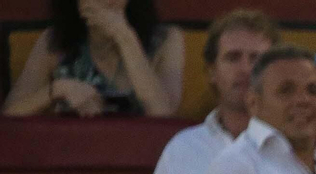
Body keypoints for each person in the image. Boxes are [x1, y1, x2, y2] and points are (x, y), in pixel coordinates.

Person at [202, 46, 316, 174]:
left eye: (312, 91)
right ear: (254, 103)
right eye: (286, 90)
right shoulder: (235, 167)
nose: (303, 100)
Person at [150, 9, 279, 174]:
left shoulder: (294, 147)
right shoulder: (182, 150)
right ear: (212, 72)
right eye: (233, 58)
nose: (245, 69)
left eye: (256, 59)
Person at [3, 0, 183, 117]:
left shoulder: (166, 40)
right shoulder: (54, 42)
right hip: (72, 158)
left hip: (142, 159)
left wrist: (124, 37)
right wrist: (58, 89)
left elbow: (164, 117)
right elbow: (10, 116)